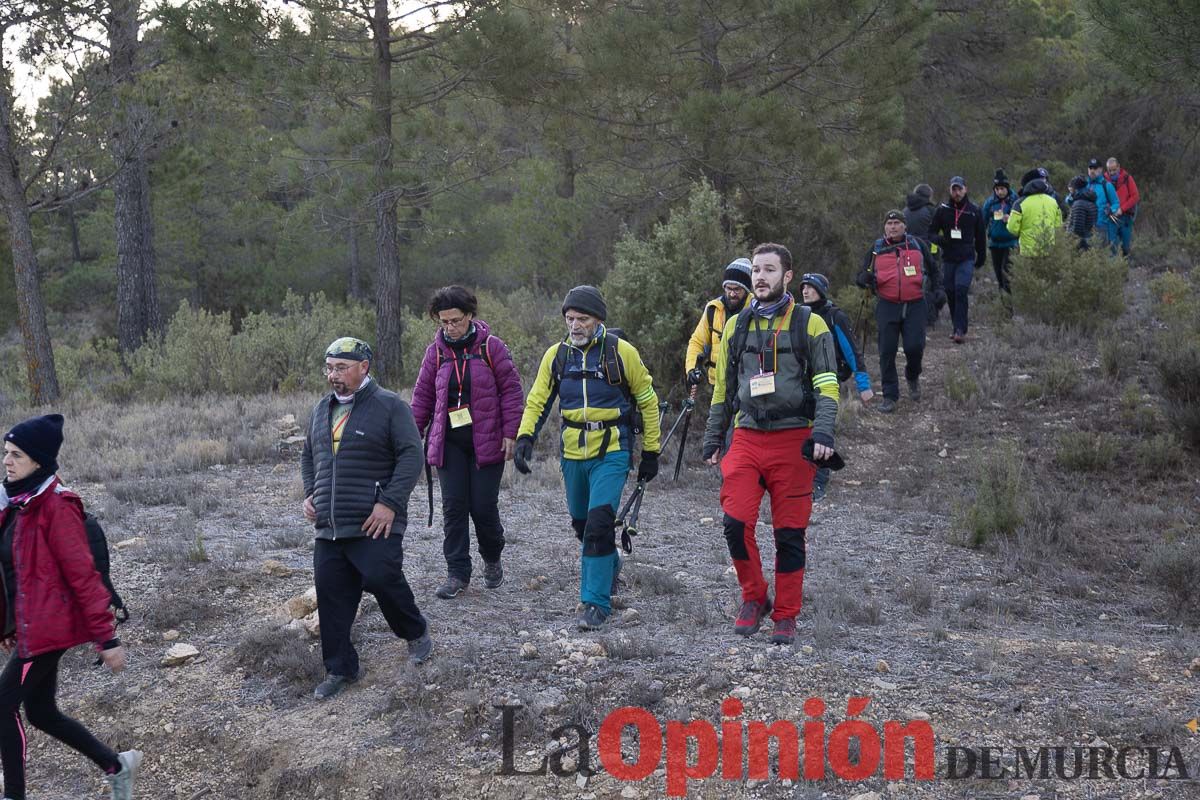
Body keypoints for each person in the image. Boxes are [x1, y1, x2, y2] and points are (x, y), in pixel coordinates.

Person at [701, 243, 840, 646]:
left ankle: (786, 615)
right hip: (745, 437)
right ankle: (754, 596)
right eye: (756, 270)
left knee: (789, 534)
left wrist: (824, 433)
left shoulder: (810, 324)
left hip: (793, 438)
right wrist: (714, 435)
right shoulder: (736, 325)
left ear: (787, 276)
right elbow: (723, 388)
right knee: (734, 522)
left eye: (768, 270)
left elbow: (828, 386)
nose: (759, 277)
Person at [0, 414, 141, 800]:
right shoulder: (18, 503)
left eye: (16, 455)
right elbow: (15, 574)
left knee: (2, 705)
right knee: (41, 713)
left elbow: (83, 576)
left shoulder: (56, 506)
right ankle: (117, 765)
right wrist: (8, 626)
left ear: (39, 461)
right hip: (33, 626)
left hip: (49, 629)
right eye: (5, 453)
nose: (6, 462)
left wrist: (107, 638)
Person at [513, 287, 662, 630]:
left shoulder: (621, 352)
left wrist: (651, 451)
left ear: (598, 321)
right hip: (572, 451)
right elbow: (538, 399)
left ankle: (594, 603)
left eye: (582, 319)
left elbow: (647, 400)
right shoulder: (557, 355)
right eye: (570, 319)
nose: (575, 326)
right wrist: (525, 437)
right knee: (582, 525)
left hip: (612, 450)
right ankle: (609, 565)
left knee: (598, 525)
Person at [301, 337, 430, 700]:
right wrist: (311, 492)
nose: (333, 375)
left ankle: (415, 632)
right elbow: (308, 456)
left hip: (375, 519)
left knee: (381, 577)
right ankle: (340, 668)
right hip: (330, 525)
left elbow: (411, 456)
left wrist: (389, 502)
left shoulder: (389, 406)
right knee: (331, 595)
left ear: (364, 368)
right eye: (329, 368)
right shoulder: (321, 409)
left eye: (341, 368)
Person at [411, 287, 525, 600]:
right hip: (449, 442)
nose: (449, 327)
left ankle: (492, 556)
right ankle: (457, 573)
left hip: (487, 441)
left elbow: (512, 392)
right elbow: (422, 396)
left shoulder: (492, 347)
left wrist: (511, 433)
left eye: (456, 321)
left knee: (483, 507)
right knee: (454, 508)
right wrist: (410, 436)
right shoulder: (435, 352)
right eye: (443, 322)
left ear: (470, 316)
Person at [856, 211, 939, 414]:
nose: (893, 227)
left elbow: (934, 270)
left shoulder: (918, 245)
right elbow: (860, 275)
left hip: (915, 304)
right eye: (889, 223)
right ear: (885, 227)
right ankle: (890, 396)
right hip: (887, 304)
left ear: (905, 226)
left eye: (897, 223)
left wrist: (936, 294)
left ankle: (912, 375)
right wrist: (863, 280)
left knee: (914, 347)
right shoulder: (876, 249)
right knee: (887, 352)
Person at [799, 272, 871, 502]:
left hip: (827, 381)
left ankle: (819, 481)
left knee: (822, 428)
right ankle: (799, 477)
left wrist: (864, 384)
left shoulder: (835, 316)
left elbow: (851, 350)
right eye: (803, 287)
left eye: (810, 287)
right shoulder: (798, 314)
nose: (805, 291)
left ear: (821, 290)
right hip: (800, 381)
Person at [929, 176, 987, 343]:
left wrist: (981, 257)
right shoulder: (942, 210)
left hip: (966, 257)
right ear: (950, 190)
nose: (957, 192)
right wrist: (941, 241)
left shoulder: (974, 210)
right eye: (954, 189)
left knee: (961, 289)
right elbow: (931, 232)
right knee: (951, 291)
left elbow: (981, 236)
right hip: (949, 257)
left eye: (959, 189)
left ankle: (960, 329)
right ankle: (957, 325)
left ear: (965, 189)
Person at [684, 258, 752, 397]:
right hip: (716, 385)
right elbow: (696, 342)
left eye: (737, 289)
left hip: (747, 385)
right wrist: (691, 368)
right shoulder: (713, 309)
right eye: (728, 288)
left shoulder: (757, 310)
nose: (732, 294)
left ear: (746, 290)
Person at [903, 183, 943, 328]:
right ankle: (929, 318)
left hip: (907, 250)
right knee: (930, 282)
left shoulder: (905, 210)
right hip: (927, 250)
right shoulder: (931, 210)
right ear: (929, 196)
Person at [979, 170, 1019, 295]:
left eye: (1002, 188)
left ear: (1007, 188)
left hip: (1011, 243)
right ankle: (1004, 308)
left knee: (1006, 275)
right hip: (994, 244)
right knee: (999, 278)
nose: (1000, 192)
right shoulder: (990, 203)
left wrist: (1010, 219)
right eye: (997, 189)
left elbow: (1022, 221)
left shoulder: (1015, 201)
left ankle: (1009, 308)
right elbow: (982, 223)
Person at [1008, 170, 1063, 258]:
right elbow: (1058, 225)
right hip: (1049, 250)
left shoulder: (1019, 203)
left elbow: (1012, 228)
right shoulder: (1053, 201)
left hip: (1028, 251)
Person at [1105, 157, 1140, 257]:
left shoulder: (1127, 178)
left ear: (1119, 167)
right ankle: (1114, 269)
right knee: (1112, 246)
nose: (1112, 173)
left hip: (1125, 217)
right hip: (1111, 218)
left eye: (1114, 170)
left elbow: (1135, 196)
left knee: (1125, 247)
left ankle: (1125, 268)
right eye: (1110, 170)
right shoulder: (1104, 180)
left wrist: (1122, 209)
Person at [1084, 158, 1120, 252]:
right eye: (1090, 168)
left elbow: (1116, 203)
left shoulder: (1107, 185)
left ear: (1100, 170)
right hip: (1085, 227)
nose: (1092, 171)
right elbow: (1069, 201)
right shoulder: (1084, 185)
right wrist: (1071, 196)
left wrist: (1111, 210)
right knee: (1085, 257)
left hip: (1101, 226)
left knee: (1100, 255)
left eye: (1095, 168)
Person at [1065, 176, 1098, 250]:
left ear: (1075, 189)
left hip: (1080, 244)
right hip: (1089, 239)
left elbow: (1077, 229)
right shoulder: (1090, 200)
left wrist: (1069, 236)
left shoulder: (1079, 204)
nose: (1070, 193)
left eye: (1071, 190)